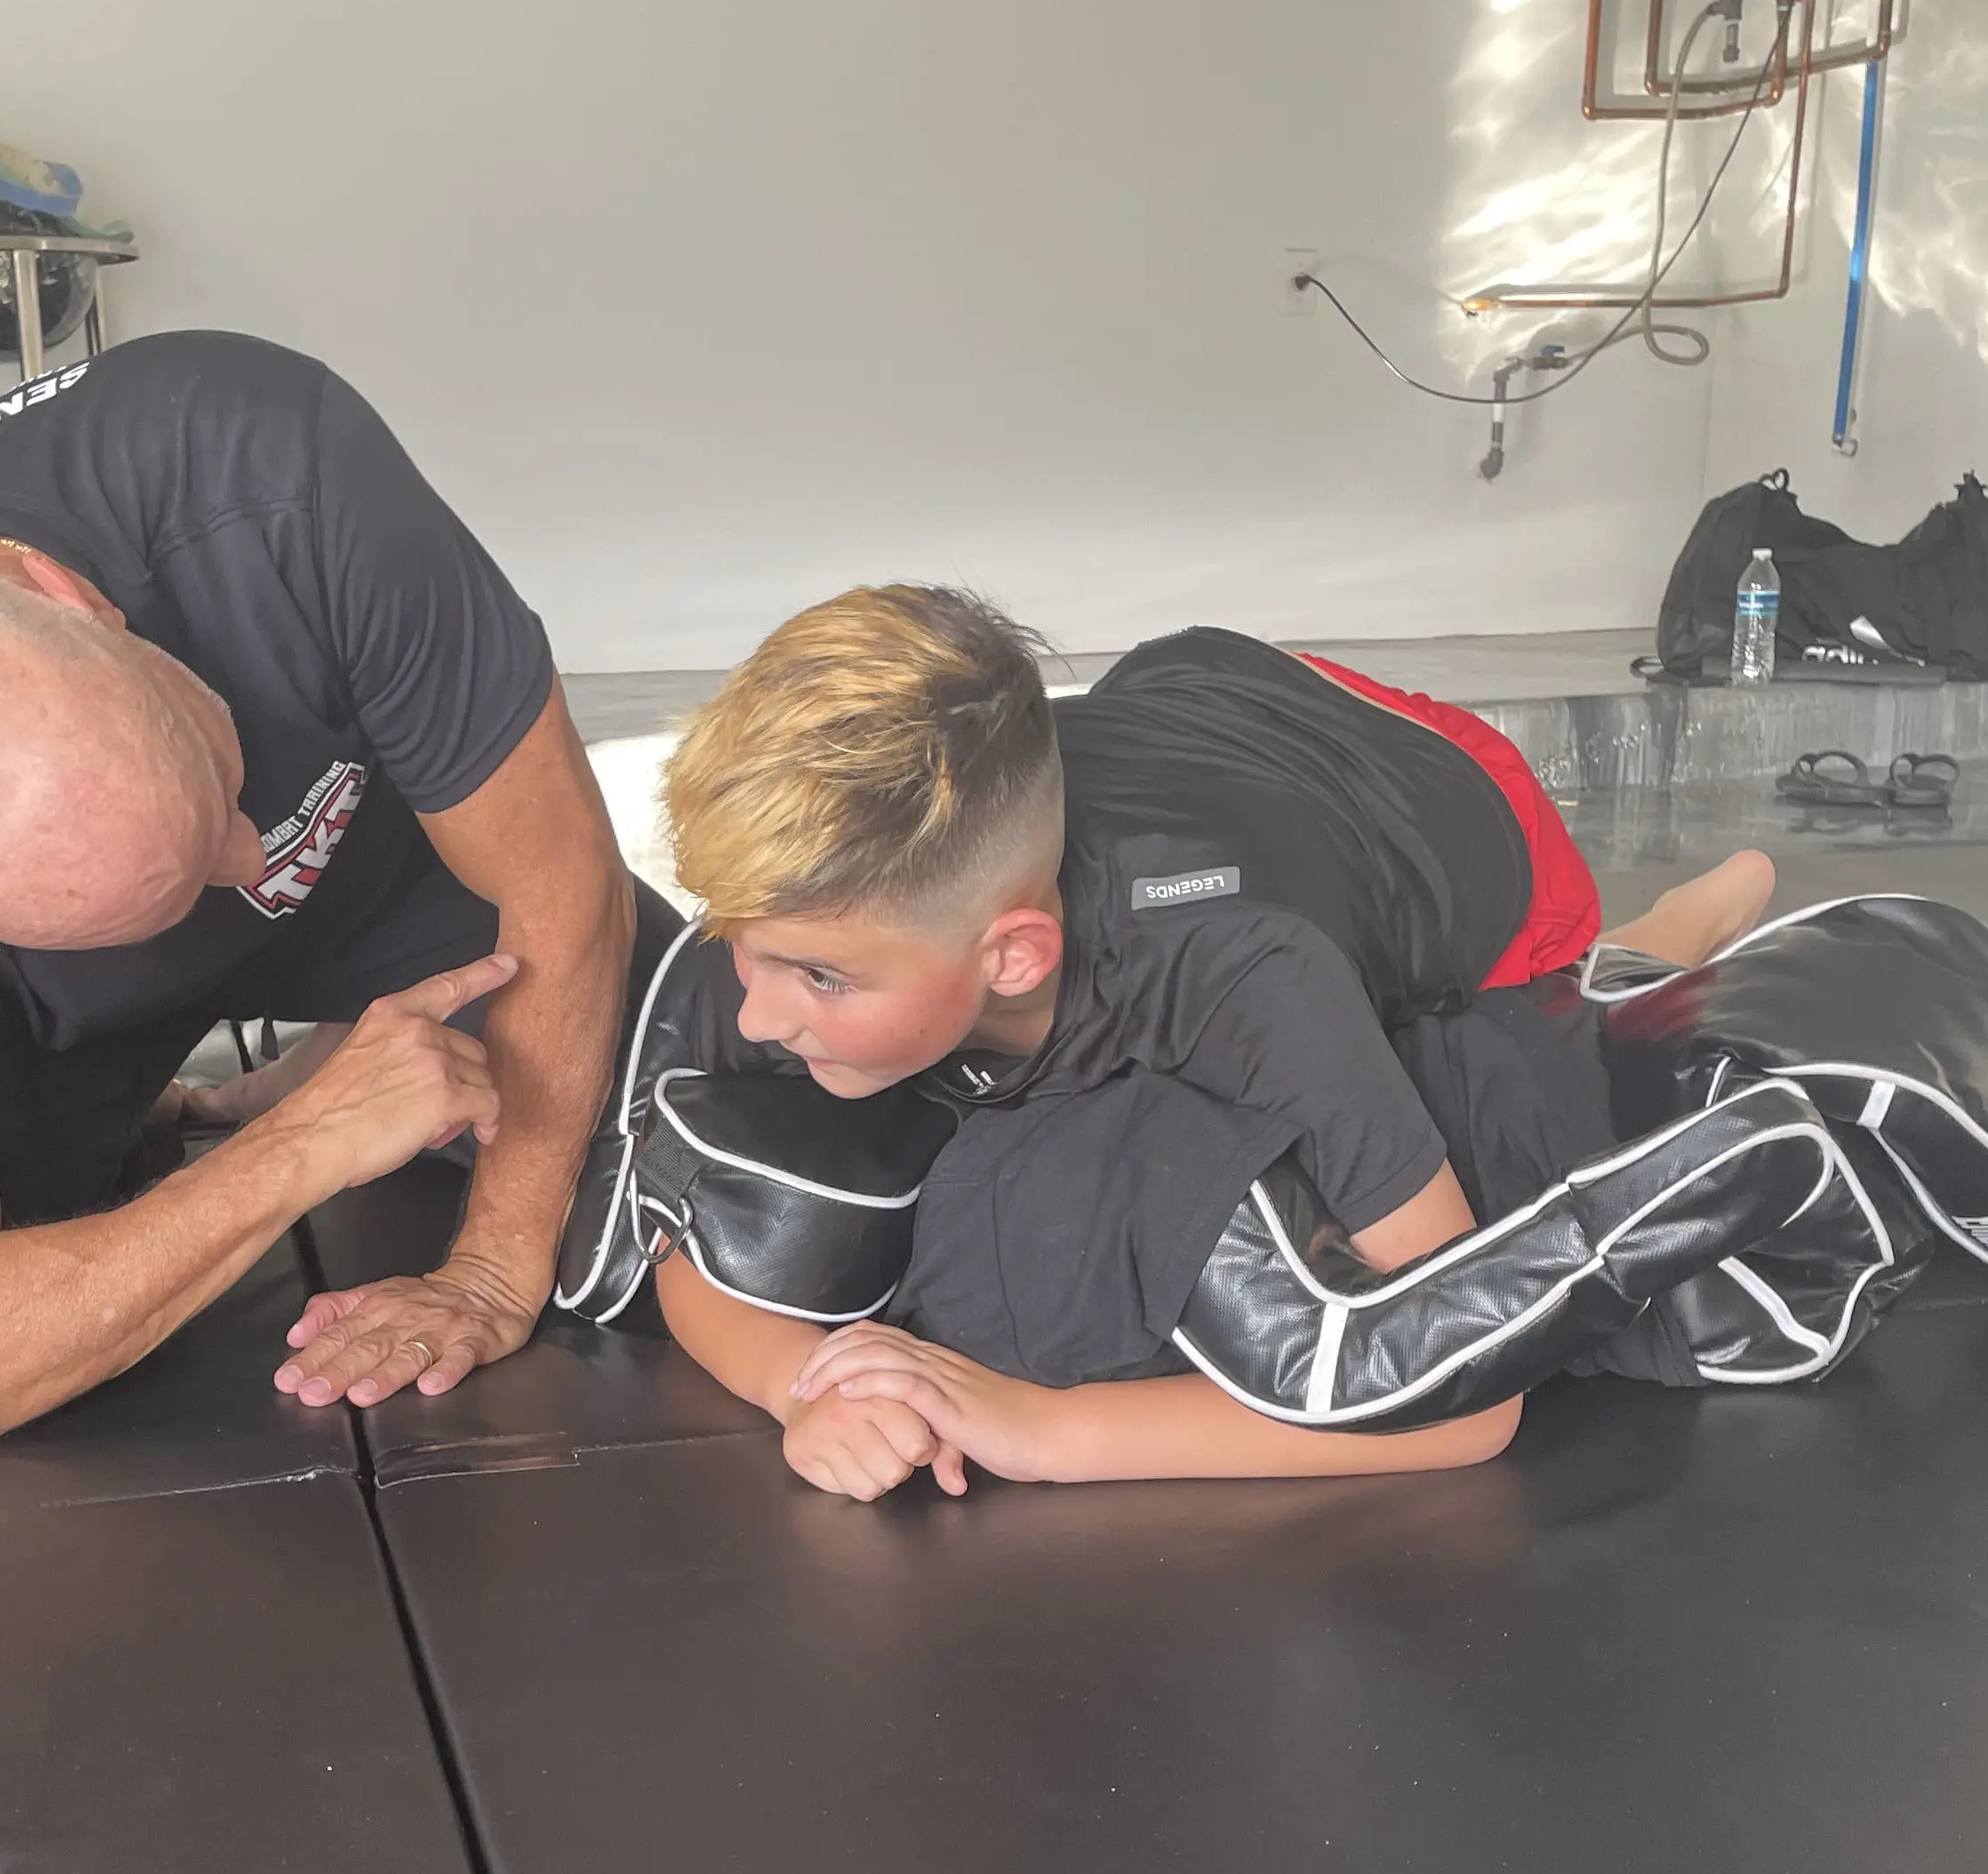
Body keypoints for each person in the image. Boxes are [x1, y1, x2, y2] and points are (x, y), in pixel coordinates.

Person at [626, 585, 1782, 1497]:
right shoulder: (802, 932)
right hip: (1188, 697)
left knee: (1547, 1020)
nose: (765, 1015)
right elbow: (681, 1218)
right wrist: (803, 1387)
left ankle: (1681, 922)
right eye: (749, 950)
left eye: (820, 979)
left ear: (1013, 956)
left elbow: (1468, 1400)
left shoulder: (1249, 979)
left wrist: (1046, 1429)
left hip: (1439, 796)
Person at [0, 329, 634, 1458]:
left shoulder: (271, 470)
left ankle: (317, 1031)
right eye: (166, 887)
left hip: (385, 881)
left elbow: (563, 876)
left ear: (78, 600)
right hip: (68, 1036)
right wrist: (303, 1143)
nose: (251, 861)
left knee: (694, 1099)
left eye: (217, 786)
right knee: (24, 1292)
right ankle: (186, 1077)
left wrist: (492, 1270)